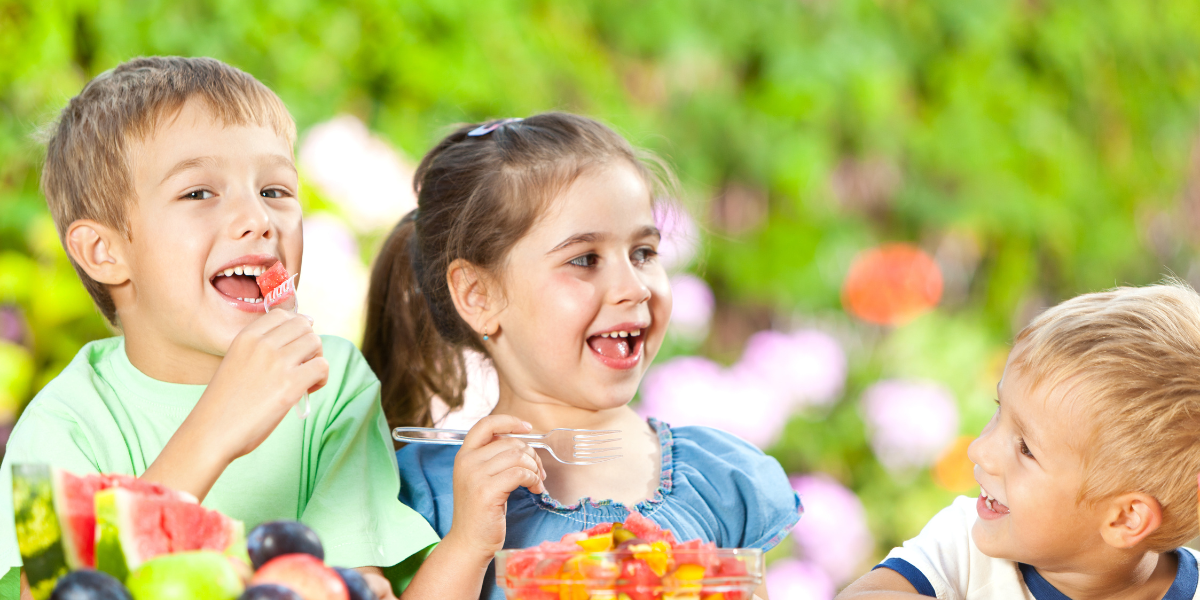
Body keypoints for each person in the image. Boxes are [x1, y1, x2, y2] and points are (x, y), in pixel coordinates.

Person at [0, 57, 545, 600]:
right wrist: (214, 427)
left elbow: (352, 588)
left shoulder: (331, 384)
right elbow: (53, 592)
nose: (259, 219)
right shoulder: (65, 422)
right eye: (198, 193)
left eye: (275, 191)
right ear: (105, 252)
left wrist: (468, 542)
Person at [362, 112, 802, 600]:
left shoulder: (720, 481)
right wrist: (468, 545)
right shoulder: (427, 495)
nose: (633, 288)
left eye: (643, 253)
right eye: (584, 259)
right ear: (478, 295)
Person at [838, 282, 1200, 599]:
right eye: (999, 409)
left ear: (1125, 518)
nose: (978, 450)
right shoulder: (965, 545)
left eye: (1026, 448)